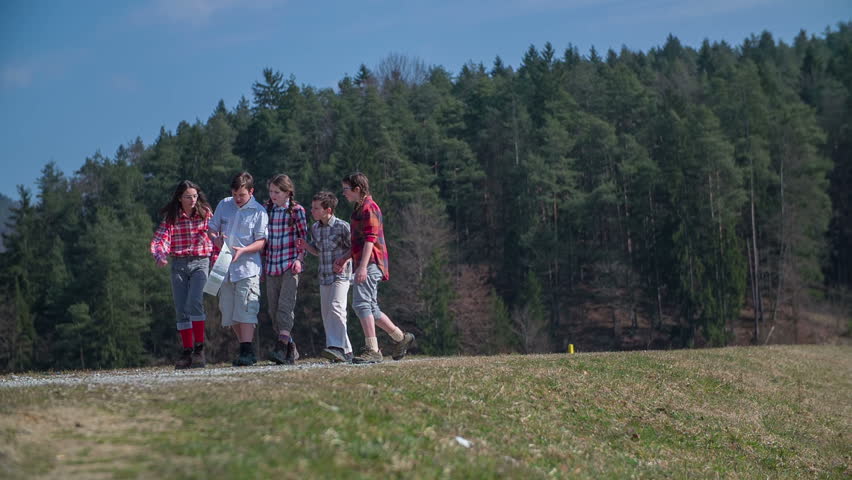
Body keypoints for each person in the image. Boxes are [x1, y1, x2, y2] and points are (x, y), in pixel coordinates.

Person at [335, 172, 415, 363]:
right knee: (371, 307)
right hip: (365, 262)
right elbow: (359, 243)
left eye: (346, 189)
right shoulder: (359, 208)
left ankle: (373, 350)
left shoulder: (369, 208)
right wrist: (346, 258)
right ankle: (401, 338)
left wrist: (361, 267)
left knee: (361, 304)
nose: (343, 193)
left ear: (357, 189)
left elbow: (370, 241)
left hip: (371, 263)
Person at [150, 180, 214, 369]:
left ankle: (199, 348)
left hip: (200, 262)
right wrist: (160, 255)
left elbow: (215, 234)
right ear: (180, 198)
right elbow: (160, 239)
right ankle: (187, 351)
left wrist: (219, 254)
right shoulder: (172, 218)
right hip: (178, 264)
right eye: (188, 197)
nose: (192, 200)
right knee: (181, 308)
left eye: (195, 196)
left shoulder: (205, 213)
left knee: (195, 301)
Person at [208, 172, 268, 366]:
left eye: (241, 195)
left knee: (247, 307)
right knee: (228, 312)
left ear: (251, 191)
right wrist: (215, 239)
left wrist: (244, 250)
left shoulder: (259, 212)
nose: (237, 199)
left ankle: (247, 350)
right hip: (224, 266)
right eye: (234, 195)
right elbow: (211, 228)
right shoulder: (224, 204)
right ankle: (244, 346)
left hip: (247, 267)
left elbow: (261, 242)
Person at [296, 191, 354, 363]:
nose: (312, 211)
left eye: (316, 208)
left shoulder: (342, 226)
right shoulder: (315, 229)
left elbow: (354, 248)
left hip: (341, 275)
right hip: (324, 275)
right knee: (327, 313)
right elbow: (317, 250)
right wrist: (306, 246)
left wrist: (344, 261)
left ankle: (337, 347)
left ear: (328, 210)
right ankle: (345, 350)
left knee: (337, 307)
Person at [263, 174, 307, 365]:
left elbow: (302, 239)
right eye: (271, 191)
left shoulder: (297, 211)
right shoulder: (267, 210)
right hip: (271, 265)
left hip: (290, 265)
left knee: (285, 307)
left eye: (277, 192)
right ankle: (291, 348)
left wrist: (299, 259)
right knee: (273, 311)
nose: (273, 195)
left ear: (287, 192)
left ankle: (280, 347)